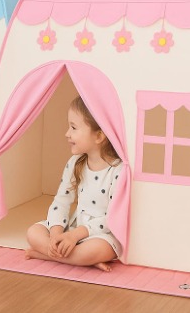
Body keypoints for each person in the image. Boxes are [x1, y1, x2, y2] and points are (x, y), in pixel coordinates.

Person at [25, 96, 122, 271]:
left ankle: (46, 255)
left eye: (74, 128)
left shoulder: (118, 170)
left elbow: (113, 218)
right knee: (33, 232)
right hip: (72, 228)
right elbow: (61, 201)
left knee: (98, 249)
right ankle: (78, 258)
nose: (67, 134)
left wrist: (76, 235)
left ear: (99, 135)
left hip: (100, 234)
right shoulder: (75, 162)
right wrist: (56, 235)